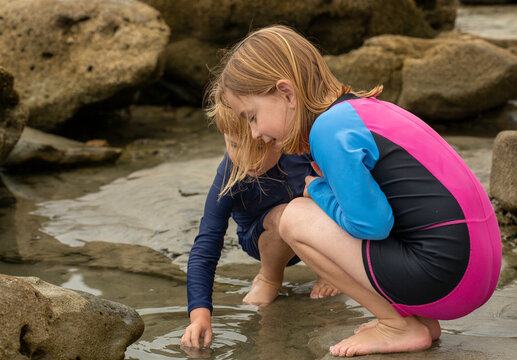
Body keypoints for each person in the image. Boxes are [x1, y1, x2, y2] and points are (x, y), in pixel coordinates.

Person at [206, 25, 502, 357]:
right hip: (480, 267)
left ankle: (396, 325)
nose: (255, 132)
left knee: (294, 219)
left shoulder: (327, 131)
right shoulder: (362, 111)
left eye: (252, 117)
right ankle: (418, 318)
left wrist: (317, 190)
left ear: (286, 94)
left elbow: (372, 225)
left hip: (448, 276)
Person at [180, 131, 340, 349]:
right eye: (235, 145)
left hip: (315, 232)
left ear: (277, 136)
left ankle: (327, 269)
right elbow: (206, 243)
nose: (248, 159)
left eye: (258, 148)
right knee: (285, 213)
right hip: (263, 238)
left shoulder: (300, 151)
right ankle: (270, 277)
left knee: (322, 192)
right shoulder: (229, 174)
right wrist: (199, 316)